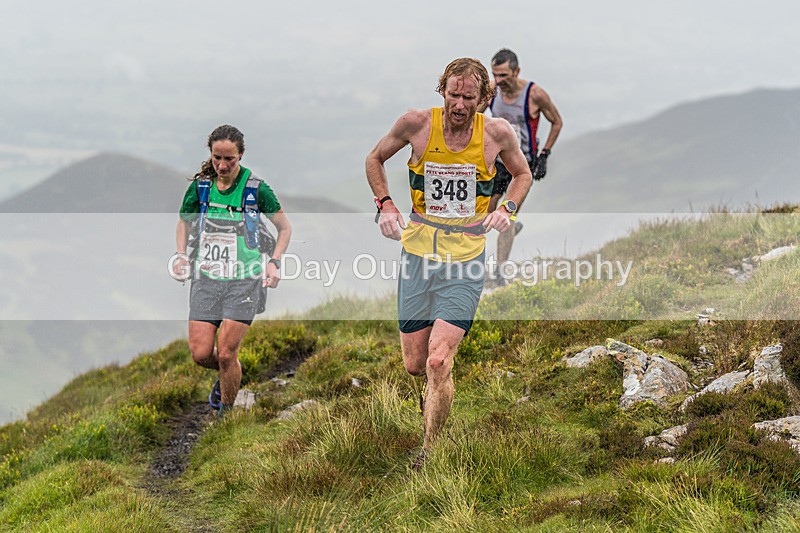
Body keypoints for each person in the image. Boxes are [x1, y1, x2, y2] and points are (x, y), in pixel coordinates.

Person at [365, 58, 532, 469]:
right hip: (418, 256)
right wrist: (385, 205)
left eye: (468, 97)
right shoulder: (416, 124)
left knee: (439, 361)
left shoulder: (496, 133)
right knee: (414, 364)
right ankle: (433, 399)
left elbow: (522, 175)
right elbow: (374, 159)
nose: (459, 105)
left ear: (483, 98)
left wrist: (507, 208)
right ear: (443, 91)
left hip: (466, 260)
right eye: (453, 95)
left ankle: (430, 452)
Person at [170, 125, 291, 416]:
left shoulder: (256, 189)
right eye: (217, 158)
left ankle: (226, 413)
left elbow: (284, 228)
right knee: (201, 354)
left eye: (230, 160)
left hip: (244, 281)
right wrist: (181, 255)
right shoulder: (200, 186)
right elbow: (184, 222)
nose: (222, 166)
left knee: (225, 352)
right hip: (206, 278)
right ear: (210, 154)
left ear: (241, 156)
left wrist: (274, 263)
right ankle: (230, 372)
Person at [481, 48, 563, 285]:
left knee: (508, 213)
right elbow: (475, 116)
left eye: (504, 75)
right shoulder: (493, 92)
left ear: (517, 71)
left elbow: (556, 121)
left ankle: (498, 273)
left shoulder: (534, 94)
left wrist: (544, 154)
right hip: (497, 162)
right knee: (486, 212)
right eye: (495, 75)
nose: (499, 81)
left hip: (522, 164)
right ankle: (503, 240)